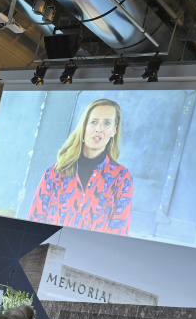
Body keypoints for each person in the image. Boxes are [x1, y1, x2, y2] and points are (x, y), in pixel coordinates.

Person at [27, 98, 132, 236]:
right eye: (94, 122)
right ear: (84, 127)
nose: (99, 129)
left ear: (114, 131)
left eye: (107, 123)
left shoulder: (121, 178)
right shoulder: (55, 172)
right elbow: (34, 221)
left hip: (88, 255)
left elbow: (119, 233)